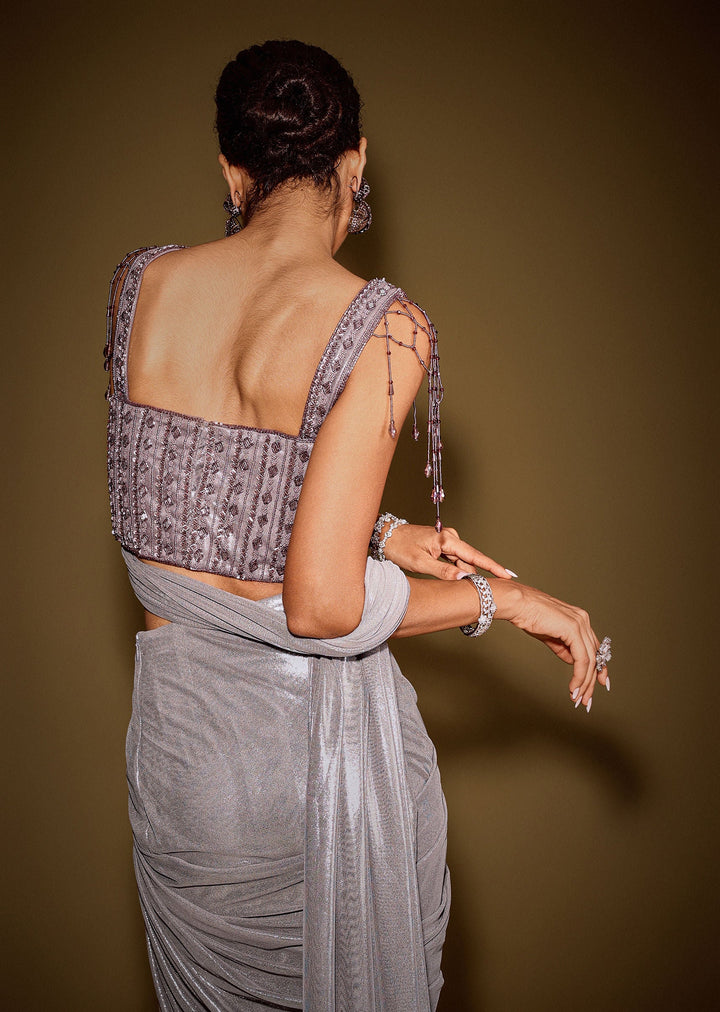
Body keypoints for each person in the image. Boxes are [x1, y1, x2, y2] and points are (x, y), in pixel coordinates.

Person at [104, 39, 611, 1012]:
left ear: (230, 169)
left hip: (183, 777)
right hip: (309, 784)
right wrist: (498, 600)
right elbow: (321, 606)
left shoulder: (141, 290)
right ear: (357, 163)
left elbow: (186, 507)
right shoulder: (382, 325)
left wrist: (376, 531)